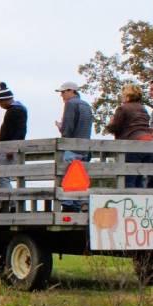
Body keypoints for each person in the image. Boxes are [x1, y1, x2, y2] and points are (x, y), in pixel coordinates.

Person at [55, 81, 94, 211]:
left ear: (72, 91)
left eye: (63, 92)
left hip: (72, 147)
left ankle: (68, 204)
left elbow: (68, 128)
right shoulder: (86, 105)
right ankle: (81, 203)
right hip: (85, 147)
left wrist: (61, 129)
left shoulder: (70, 104)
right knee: (80, 178)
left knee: (67, 176)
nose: (61, 95)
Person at [105, 83, 153, 188]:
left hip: (133, 144)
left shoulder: (123, 109)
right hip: (149, 144)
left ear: (127, 95)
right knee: (139, 179)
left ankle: (130, 203)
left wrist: (110, 123)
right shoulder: (143, 108)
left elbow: (115, 127)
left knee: (128, 180)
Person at [0, 82, 28, 193]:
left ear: (4, 100)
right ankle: (11, 202)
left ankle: (11, 202)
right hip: (8, 147)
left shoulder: (16, 110)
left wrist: (12, 147)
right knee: (4, 175)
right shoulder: (17, 109)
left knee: (2, 176)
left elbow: (20, 131)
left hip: (9, 148)